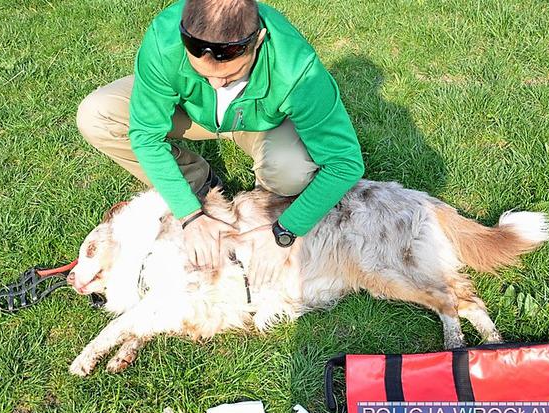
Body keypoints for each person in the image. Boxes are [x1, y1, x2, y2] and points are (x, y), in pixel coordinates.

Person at [76, 0, 364, 287]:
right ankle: (198, 186)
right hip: (192, 114)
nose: (216, 84)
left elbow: (345, 163)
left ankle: (266, 200)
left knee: (289, 172)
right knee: (97, 114)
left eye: (230, 75)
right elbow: (145, 135)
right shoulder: (164, 38)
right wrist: (189, 214)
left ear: (259, 40)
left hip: (261, 123)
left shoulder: (297, 69)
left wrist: (286, 229)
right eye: (203, 73)